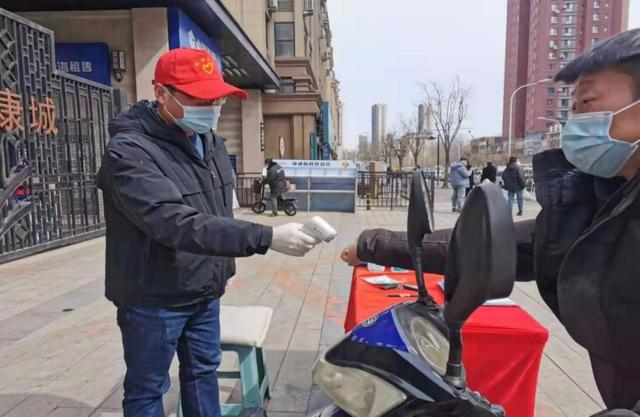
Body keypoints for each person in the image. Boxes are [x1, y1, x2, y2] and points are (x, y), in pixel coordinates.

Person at [341, 28, 640, 415]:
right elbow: (492, 245)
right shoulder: (596, 201)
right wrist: (376, 245)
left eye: (587, 101)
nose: (574, 121)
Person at [96, 48, 320, 417]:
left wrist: (221, 271)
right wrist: (268, 237)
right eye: (199, 98)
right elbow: (176, 223)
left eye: (216, 97)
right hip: (152, 296)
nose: (212, 106)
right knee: (147, 389)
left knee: (203, 373)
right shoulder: (130, 153)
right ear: (162, 93)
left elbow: (217, 213)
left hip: (204, 290)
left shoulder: (212, 145)